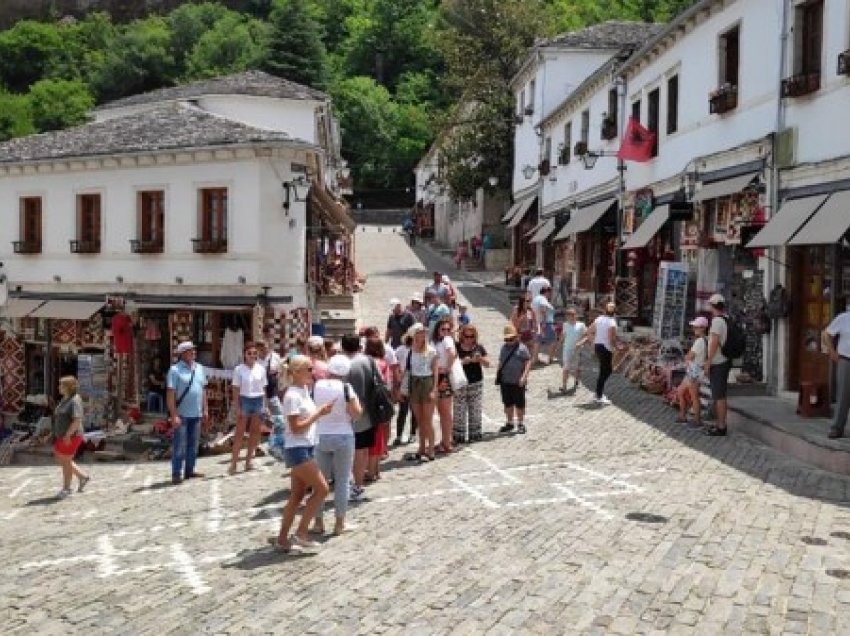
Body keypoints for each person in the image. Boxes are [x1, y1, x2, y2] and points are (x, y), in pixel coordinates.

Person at [269, 355, 333, 553]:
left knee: (296, 496)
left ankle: (282, 538)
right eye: (308, 369)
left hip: (306, 446)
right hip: (297, 449)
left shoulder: (304, 391)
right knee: (322, 489)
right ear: (296, 372)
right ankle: (301, 532)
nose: (312, 373)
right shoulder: (292, 396)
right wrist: (318, 414)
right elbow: (296, 428)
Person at [312, 354, 363, 536]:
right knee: (342, 481)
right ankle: (339, 523)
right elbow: (357, 413)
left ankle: (318, 522)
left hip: (321, 435)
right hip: (343, 435)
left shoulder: (316, 386)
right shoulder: (346, 388)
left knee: (319, 482)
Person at [341, 334, 377, 502]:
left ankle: (348, 485)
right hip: (368, 412)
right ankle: (358, 485)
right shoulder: (368, 360)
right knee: (362, 451)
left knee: (349, 452)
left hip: (349, 413)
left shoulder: (343, 365)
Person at [166, 341, 209, 484]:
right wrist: (173, 415)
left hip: (196, 413)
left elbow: (203, 391)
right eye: (190, 350)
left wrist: (205, 409)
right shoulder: (175, 370)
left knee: (193, 444)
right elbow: (171, 394)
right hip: (182, 414)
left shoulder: (200, 368)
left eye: (194, 350)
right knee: (179, 445)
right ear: (183, 354)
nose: (193, 352)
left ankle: (190, 470)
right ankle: (176, 473)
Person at [229, 342, 269, 475]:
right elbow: (235, 389)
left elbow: (263, 388)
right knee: (239, 433)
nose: (252, 356)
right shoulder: (239, 369)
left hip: (258, 400)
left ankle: (248, 461)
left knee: (255, 433)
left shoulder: (261, 369)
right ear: (244, 355)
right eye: (249, 353)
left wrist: (265, 405)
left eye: (255, 353)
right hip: (245, 399)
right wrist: (237, 406)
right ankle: (233, 463)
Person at [52, 376, 90, 498]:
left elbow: (77, 420)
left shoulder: (74, 400)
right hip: (62, 435)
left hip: (71, 436)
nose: (59, 387)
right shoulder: (65, 399)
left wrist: (68, 435)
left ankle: (67, 489)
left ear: (68, 387)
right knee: (61, 459)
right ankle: (82, 477)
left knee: (66, 461)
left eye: (61, 385)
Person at [406, 323, 438, 461]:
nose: (422, 334)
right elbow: (408, 370)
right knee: (419, 420)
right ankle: (421, 447)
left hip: (427, 382)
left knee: (428, 419)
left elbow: (435, 371)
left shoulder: (431, 351)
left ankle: (431, 449)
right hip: (414, 382)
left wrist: (434, 388)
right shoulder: (410, 350)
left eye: (424, 332)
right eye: (419, 332)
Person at [453, 325, 489, 443]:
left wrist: (480, 359)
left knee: (475, 409)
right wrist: (463, 361)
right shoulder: (456, 347)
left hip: (475, 382)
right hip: (460, 382)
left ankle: (475, 434)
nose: (469, 339)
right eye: (466, 336)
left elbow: (488, 363)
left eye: (471, 336)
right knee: (459, 410)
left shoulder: (478, 347)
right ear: (462, 336)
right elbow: (451, 362)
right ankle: (459, 436)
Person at [703, 294, 731, 436]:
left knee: (719, 395)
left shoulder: (717, 322)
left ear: (712, 306)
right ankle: (719, 423)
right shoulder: (727, 319)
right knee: (719, 394)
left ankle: (721, 426)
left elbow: (714, 342)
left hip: (718, 361)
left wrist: (708, 361)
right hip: (724, 360)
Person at [364, 337, 392, 480]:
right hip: (379, 403)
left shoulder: (364, 362)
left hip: (367, 403)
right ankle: (376, 470)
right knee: (379, 435)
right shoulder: (383, 363)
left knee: (368, 436)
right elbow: (387, 383)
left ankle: (369, 470)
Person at [497, 325, 532, 434]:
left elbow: (527, 363)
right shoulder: (503, 348)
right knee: (507, 403)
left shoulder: (522, 348)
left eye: (511, 339)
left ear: (516, 337)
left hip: (518, 381)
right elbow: (501, 362)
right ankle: (510, 423)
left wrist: (524, 377)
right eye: (506, 339)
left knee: (519, 403)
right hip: (505, 380)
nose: (508, 341)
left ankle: (520, 423)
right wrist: (498, 374)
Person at [823, 308, 850, 439]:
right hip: (846, 360)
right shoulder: (843, 318)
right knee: (843, 395)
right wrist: (832, 351)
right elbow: (826, 334)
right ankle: (836, 428)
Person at [676, 317, 709, 426]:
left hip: (694, 371)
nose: (694, 328)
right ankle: (682, 415)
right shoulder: (705, 340)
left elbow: (689, 356)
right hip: (694, 371)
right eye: (694, 326)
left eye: (696, 326)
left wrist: (687, 356)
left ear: (703, 328)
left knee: (694, 396)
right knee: (681, 391)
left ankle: (697, 420)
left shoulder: (700, 341)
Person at [586, 302, 620, 405]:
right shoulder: (612, 322)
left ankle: (598, 393)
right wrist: (617, 347)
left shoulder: (599, 319)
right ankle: (598, 395)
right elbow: (611, 338)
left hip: (598, 346)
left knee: (604, 370)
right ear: (614, 313)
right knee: (607, 371)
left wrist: (593, 342)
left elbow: (589, 331)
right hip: (606, 348)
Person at [432, 317, 457, 453]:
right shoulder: (436, 341)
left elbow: (452, 354)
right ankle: (445, 440)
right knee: (442, 412)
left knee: (445, 412)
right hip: (437, 375)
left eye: (448, 329)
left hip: (443, 376)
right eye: (443, 329)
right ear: (438, 329)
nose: (446, 331)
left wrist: (447, 368)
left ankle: (447, 442)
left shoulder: (447, 340)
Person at [393, 334, 417, 445]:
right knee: (405, 410)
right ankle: (401, 435)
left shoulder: (416, 349)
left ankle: (410, 434)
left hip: (413, 380)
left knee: (410, 411)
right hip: (405, 381)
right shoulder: (400, 350)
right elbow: (396, 365)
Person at [559, 308, 587, 393]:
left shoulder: (581, 325)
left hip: (578, 350)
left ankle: (576, 380)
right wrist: (559, 343)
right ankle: (564, 386)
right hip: (567, 349)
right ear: (566, 317)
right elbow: (563, 336)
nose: (571, 317)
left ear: (576, 315)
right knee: (566, 367)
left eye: (573, 315)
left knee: (577, 367)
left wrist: (581, 342)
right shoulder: (565, 325)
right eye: (569, 315)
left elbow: (587, 336)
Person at [532, 286, 558, 364]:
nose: (551, 295)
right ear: (547, 292)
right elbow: (543, 309)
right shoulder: (543, 299)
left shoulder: (536, 298)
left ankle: (535, 358)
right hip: (546, 323)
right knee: (553, 340)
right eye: (550, 293)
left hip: (538, 322)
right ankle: (550, 358)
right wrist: (544, 322)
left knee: (538, 341)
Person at [256, 341, 282, 414]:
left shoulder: (275, 357)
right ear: (257, 350)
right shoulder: (255, 361)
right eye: (261, 350)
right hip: (260, 394)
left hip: (273, 393)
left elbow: (281, 370)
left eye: (266, 348)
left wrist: (277, 371)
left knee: (279, 415)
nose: (265, 351)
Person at [512, 294, 537, 363]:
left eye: (530, 301)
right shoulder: (517, 309)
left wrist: (535, 332)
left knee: (530, 352)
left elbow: (534, 322)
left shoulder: (531, 310)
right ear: (522, 301)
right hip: (519, 334)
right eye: (527, 301)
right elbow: (513, 322)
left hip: (529, 334)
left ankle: (527, 366)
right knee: (520, 352)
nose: (529, 303)